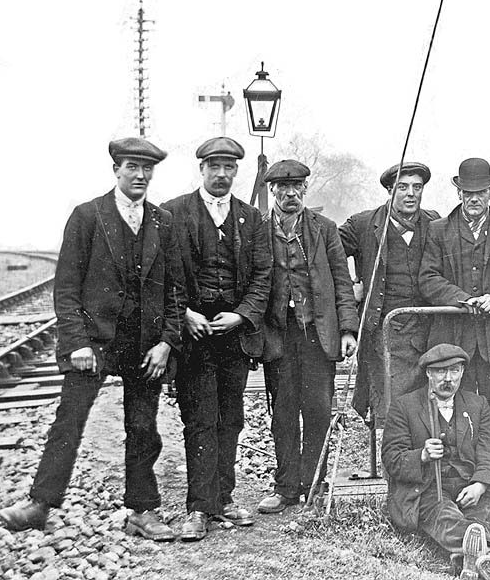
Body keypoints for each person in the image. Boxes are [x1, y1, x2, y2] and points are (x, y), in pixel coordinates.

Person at [0, 138, 185, 541]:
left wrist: (166, 342)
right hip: (93, 343)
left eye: (147, 169)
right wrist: (78, 341)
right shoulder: (87, 216)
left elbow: (175, 291)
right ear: (116, 169)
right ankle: (40, 503)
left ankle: (142, 509)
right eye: (132, 167)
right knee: (69, 421)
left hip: (145, 344)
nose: (140, 175)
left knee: (143, 427)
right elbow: (66, 288)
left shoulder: (162, 222)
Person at [162, 137, 272, 541]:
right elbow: (164, 276)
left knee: (232, 418)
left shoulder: (251, 219)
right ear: (202, 170)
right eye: (214, 167)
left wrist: (242, 315)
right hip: (194, 335)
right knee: (200, 418)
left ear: (236, 172)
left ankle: (224, 499)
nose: (222, 175)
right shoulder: (174, 213)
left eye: (229, 168)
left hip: (233, 338)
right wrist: (184, 314)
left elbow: (263, 276)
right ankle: (198, 507)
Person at [256, 160, 360, 513]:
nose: (290, 194)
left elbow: (342, 283)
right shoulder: (259, 230)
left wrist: (347, 329)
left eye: (297, 186)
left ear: (305, 189)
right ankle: (285, 487)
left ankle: (314, 484)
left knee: (317, 409)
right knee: (283, 411)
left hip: (317, 333)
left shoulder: (324, 229)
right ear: (272, 191)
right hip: (279, 333)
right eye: (283, 188)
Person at [382, 343, 490, 580]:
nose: (448, 379)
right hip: (428, 486)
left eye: (455, 371)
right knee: (444, 514)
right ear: (428, 373)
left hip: (469, 487)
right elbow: (391, 459)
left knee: (475, 521)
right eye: (440, 372)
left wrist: (480, 484)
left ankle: (468, 563)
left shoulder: (478, 405)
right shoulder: (404, 406)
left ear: (462, 372)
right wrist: (422, 456)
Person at [419, 157, 490, 415]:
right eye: (468, 193)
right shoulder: (439, 230)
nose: (473, 199)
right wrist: (460, 299)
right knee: (458, 409)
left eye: (480, 192)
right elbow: (428, 277)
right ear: (459, 192)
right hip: (455, 339)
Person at [339, 162, 439, 423]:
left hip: (427, 331)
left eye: (417, 187)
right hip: (384, 332)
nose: (410, 194)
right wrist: (351, 289)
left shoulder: (435, 222)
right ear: (389, 190)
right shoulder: (363, 224)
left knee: (426, 409)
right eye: (402, 187)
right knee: (391, 410)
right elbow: (326, 252)